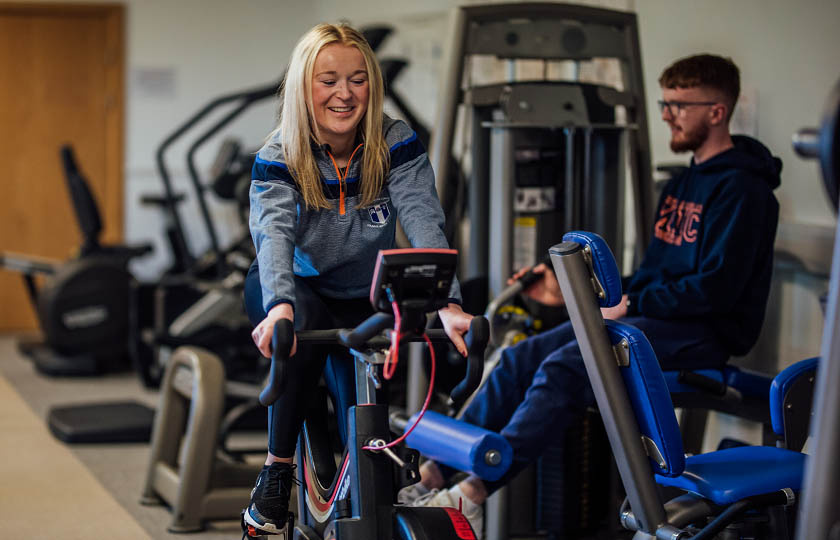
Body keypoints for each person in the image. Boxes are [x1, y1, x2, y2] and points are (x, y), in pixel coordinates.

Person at [406, 53, 782, 539]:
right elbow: (652, 275)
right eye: (664, 102)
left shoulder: (746, 192)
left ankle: (473, 493)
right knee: (519, 357)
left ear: (717, 111)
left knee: (565, 366)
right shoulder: (681, 184)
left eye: (679, 105)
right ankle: (435, 472)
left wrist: (633, 303)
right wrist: (581, 290)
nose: (667, 114)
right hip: (655, 321)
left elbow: (715, 290)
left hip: (702, 334)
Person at [241, 22, 473, 535]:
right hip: (290, 287)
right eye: (328, 80)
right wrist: (278, 304)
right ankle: (276, 474)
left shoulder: (393, 142)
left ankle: (361, 505)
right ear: (304, 87)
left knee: (364, 424)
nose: (344, 94)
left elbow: (422, 218)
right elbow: (272, 233)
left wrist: (446, 304)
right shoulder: (279, 155)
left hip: (359, 296)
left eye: (357, 78)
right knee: (303, 324)